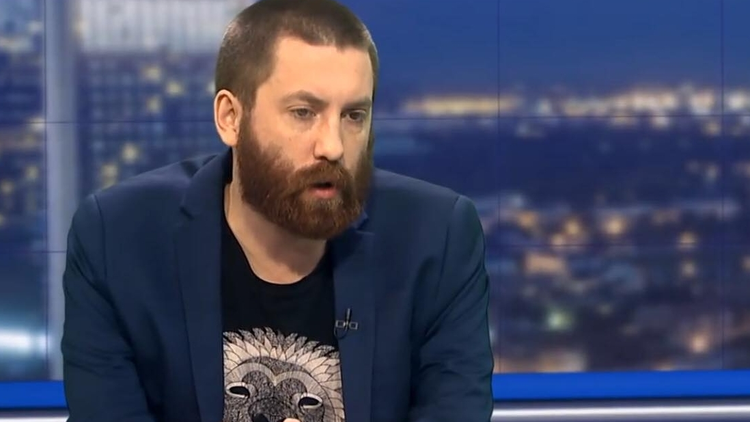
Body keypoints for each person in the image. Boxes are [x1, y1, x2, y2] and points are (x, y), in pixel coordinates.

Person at [61, 0, 493, 421]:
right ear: (230, 118)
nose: (333, 146)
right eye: (303, 112)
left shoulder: (437, 240)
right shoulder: (117, 240)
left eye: (353, 115)